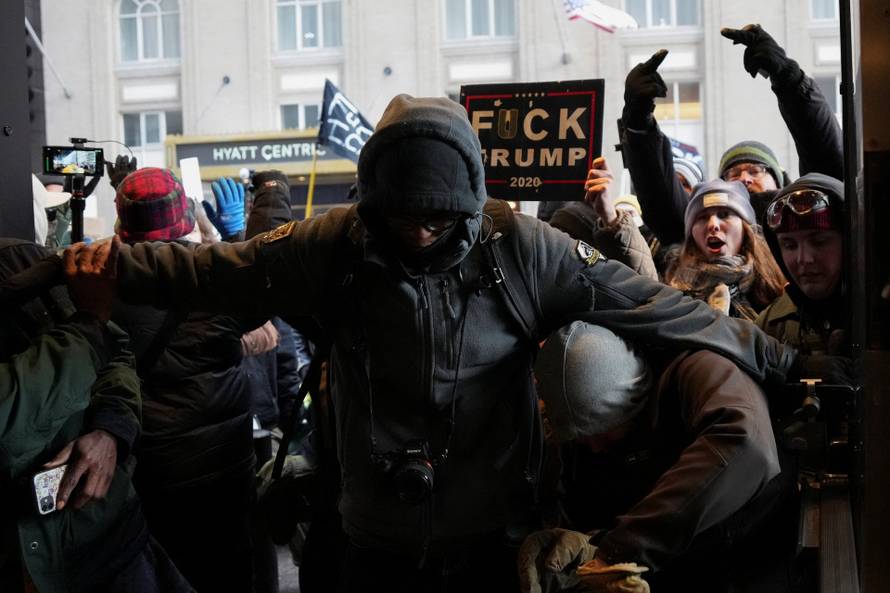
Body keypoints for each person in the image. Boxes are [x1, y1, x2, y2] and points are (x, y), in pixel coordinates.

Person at [66, 94, 824, 592]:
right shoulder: (330, 246)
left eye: (440, 219)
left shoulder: (522, 248)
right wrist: (111, 264)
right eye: (406, 218)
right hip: (372, 545)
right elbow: (210, 270)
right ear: (374, 203)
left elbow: (660, 307)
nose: (423, 233)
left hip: (495, 545)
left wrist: (790, 362)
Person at [521, 322, 787, 593]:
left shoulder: (700, 371)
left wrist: (617, 551)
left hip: (752, 558)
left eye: (600, 431)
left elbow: (746, 446)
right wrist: (585, 545)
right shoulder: (583, 447)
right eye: (580, 438)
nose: (595, 447)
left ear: (627, 402)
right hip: (677, 568)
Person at [109, 167, 275, 593]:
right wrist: (236, 231)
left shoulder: (101, 289)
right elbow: (265, 292)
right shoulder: (212, 282)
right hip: (223, 470)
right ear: (185, 219)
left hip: (147, 473)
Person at [0, 237, 193, 593]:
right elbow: (9, 422)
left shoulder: (19, 258)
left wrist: (111, 429)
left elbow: (115, 350)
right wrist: (88, 323)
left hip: (106, 539)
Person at [621, 24, 843, 247]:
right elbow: (663, 204)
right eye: (733, 174)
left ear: (780, 180)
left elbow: (825, 160)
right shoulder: (706, 238)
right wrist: (638, 124)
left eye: (755, 170)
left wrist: (790, 79)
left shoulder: (807, 217)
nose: (744, 179)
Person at [664, 179, 786, 320]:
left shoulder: (775, 288)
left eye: (724, 215)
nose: (713, 225)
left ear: (745, 228)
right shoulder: (673, 296)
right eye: (703, 217)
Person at [756, 173, 846, 355]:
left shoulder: (877, 317)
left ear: (850, 241)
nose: (804, 258)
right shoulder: (770, 325)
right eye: (789, 245)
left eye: (819, 242)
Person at [548, 157, 658, 280]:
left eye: (630, 212)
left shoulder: (654, 242)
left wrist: (610, 216)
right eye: (621, 210)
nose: (627, 214)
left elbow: (645, 284)